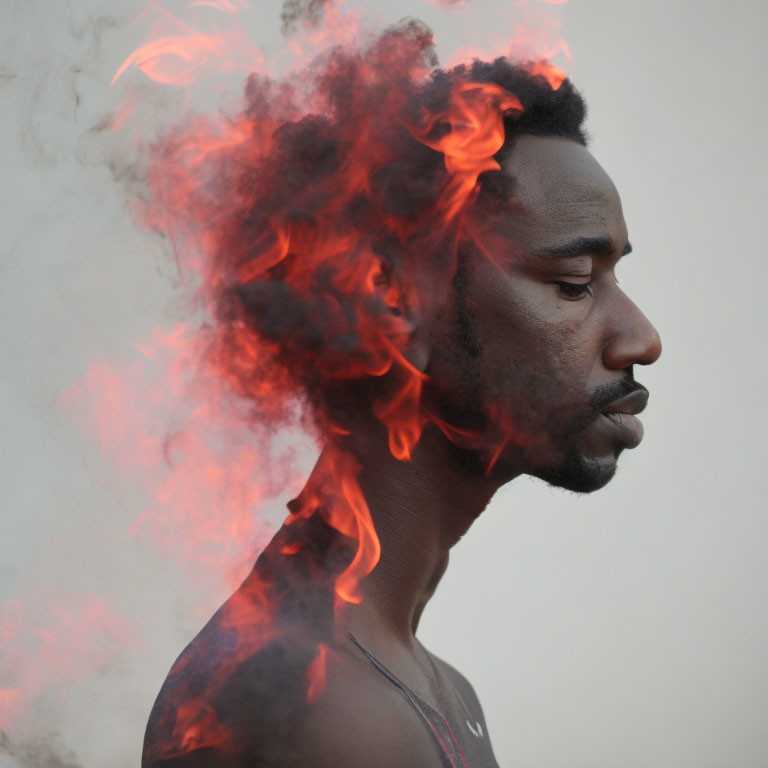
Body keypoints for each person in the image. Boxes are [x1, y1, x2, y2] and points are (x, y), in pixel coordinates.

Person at [140, 33, 661, 768]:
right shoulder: (322, 704)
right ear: (391, 299)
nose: (641, 339)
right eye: (575, 283)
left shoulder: (431, 690)